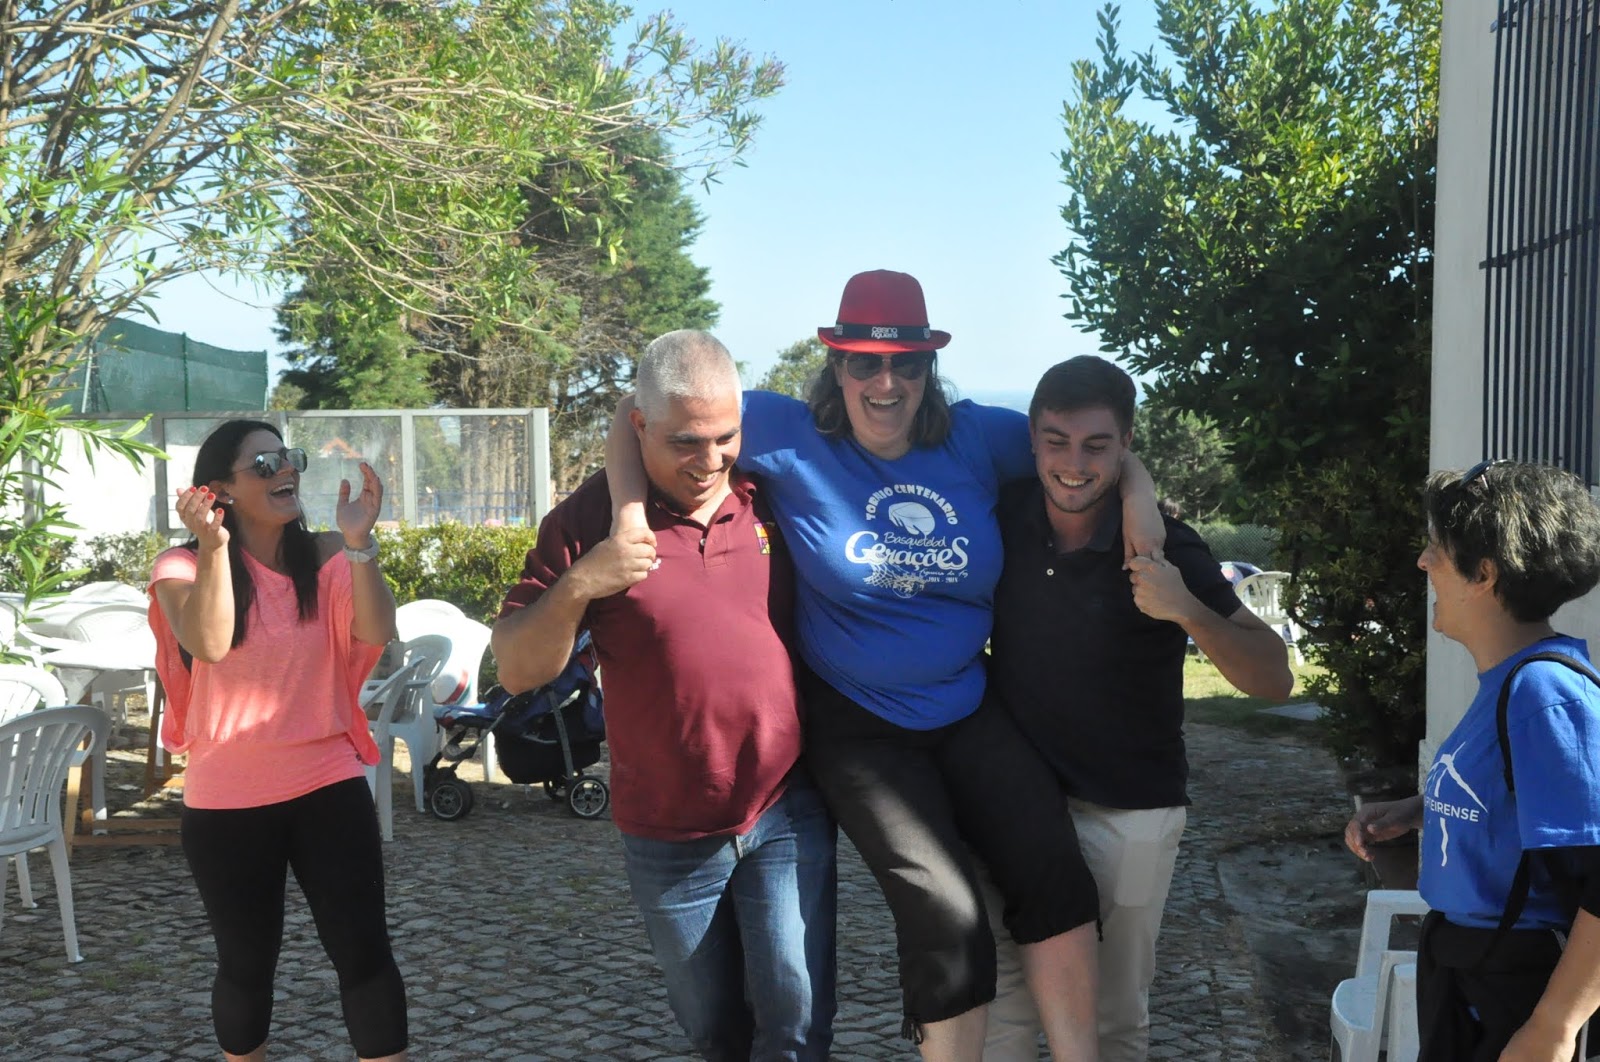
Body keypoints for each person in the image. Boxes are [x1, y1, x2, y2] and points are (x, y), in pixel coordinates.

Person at [607, 271, 1166, 1061]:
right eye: (865, 362)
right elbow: (634, 415)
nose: (886, 381)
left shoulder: (976, 437)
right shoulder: (786, 431)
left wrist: (1140, 497)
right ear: (837, 367)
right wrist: (628, 518)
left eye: (906, 364)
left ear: (929, 369)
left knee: (1056, 877)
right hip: (856, 724)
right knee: (948, 915)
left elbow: (1084, 445)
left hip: (967, 704)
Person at [491, 330, 836, 1061]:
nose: (709, 462)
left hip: (784, 808)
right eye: (685, 442)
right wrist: (583, 582)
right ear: (641, 427)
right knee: (715, 1031)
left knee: (798, 1025)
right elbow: (517, 670)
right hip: (667, 830)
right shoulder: (589, 521)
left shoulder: (770, 491)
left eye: (724, 438)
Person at [983, 356, 1294, 1062]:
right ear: (1032, 439)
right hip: (1017, 805)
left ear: (1126, 444)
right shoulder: (1001, 513)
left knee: (1114, 1018)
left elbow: (1274, 679)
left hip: (1129, 812)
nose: (1073, 464)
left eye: (1097, 445)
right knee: (1003, 1014)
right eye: (1057, 442)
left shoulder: (1167, 546)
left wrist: (1186, 609)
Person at [147, 420, 408, 1062]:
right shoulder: (181, 567)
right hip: (227, 798)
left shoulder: (327, 556)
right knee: (246, 966)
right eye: (263, 464)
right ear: (219, 491)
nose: (285, 468)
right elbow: (209, 643)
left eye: (288, 457)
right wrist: (214, 548)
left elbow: (378, 630)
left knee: (365, 954)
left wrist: (360, 544)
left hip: (328, 781)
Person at [1345, 460, 1600, 1062]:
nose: (1422, 562)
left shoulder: (1545, 693)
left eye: (1436, 548)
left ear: (1485, 573)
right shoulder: (1510, 681)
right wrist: (1420, 809)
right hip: (1469, 973)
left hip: (1518, 990)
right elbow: (1518, 798)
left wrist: (1553, 1028)